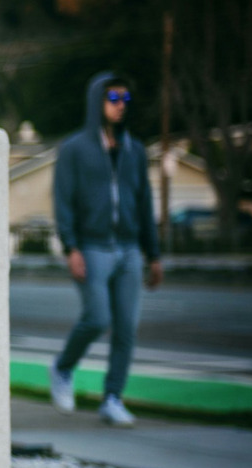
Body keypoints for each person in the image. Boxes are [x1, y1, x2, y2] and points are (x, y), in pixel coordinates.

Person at [49, 71, 164, 427]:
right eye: (113, 98)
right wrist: (71, 247)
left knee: (126, 328)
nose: (120, 106)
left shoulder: (135, 150)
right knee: (98, 318)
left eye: (125, 99)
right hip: (92, 247)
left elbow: (144, 204)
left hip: (129, 249)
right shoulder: (74, 149)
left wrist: (153, 254)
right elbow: (63, 200)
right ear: (97, 101)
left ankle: (112, 398)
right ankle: (63, 368)